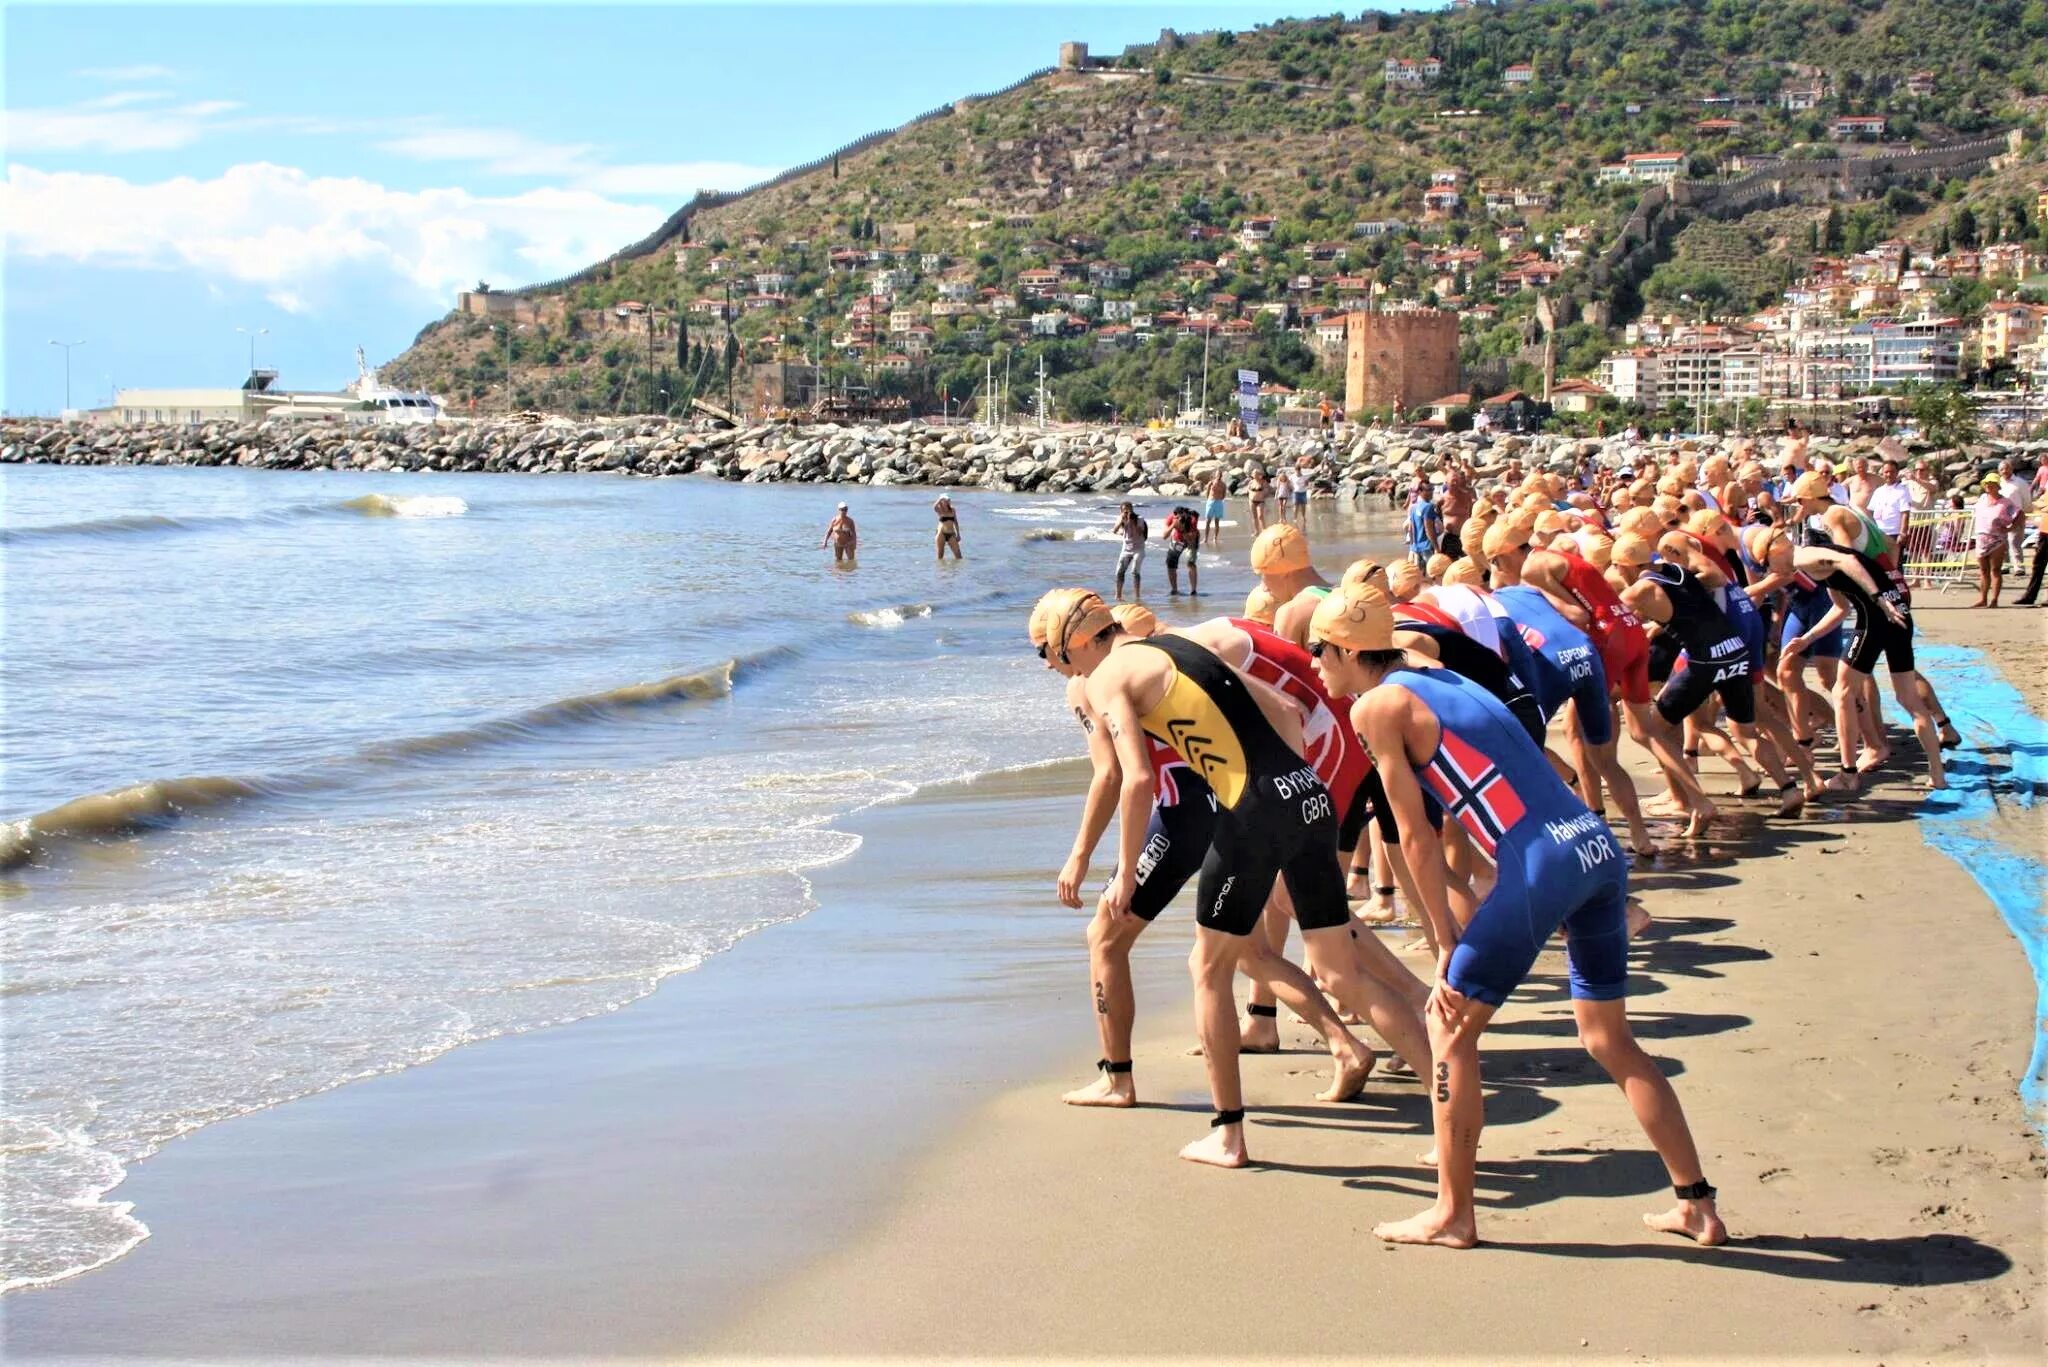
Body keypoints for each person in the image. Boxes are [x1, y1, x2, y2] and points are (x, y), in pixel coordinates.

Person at [1308, 584, 1725, 1250]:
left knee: (1447, 1032)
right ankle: (1697, 1204)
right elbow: (1522, 747)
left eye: (1318, 650)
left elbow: (1412, 836)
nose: (1314, 664)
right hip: (1595, 847)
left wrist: (1445, 938)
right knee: (1609, 1039)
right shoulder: (1435, 673)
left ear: (1349, 648)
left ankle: (1453, 1213)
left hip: (1540, 865)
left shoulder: (1378, 707)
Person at [1038, 589, 1433, 1167]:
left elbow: (1137, 780)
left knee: (1209, 967)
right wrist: (1283, 780)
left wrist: (1125, 871)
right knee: (1339, 974)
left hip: (1255, 811)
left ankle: (1228, 1135)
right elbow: (1281, 709)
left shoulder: (1104, 679)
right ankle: (1446, 1100)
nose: (1052, 667)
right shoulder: (1177, 645)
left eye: (1044, 653)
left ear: (1071, 643)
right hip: (1308, 796)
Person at [1792, 543, 1947, 790]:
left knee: (1842, 692)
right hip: (1899, 615)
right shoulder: (1823, 559)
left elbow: (1848, 563)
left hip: (1877, 620)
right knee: (1908, 699)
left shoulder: (1804, 557)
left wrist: (1877, 598)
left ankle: (1847, 774)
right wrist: (1808, 637)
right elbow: (1841, 608)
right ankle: (1938, 775)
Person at [1970, 475, 2018, 609]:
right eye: (1986, 483)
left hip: (1997, 539)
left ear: (1998, 486)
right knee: (1983, 570)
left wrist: (2011, 528)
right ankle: (1982, 598)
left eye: (1991, 483)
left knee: (1995, 570)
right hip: (1981, 538)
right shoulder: (1982, 499)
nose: (1988, 486)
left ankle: (1994, 600)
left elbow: (2019, 515)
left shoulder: (2005, 502)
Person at [1163, 505, 1202, 596]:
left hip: (1191, 539)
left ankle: (1193, 590)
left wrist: (1183, 530)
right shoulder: (1171, 518)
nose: (1178, 519)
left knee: (1190, 562)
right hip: (1177, 540)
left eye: (1180, 517)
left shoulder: (1192, 519)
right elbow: (1164, 536)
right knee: (1170, 563)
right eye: (1176, 517)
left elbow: (1191, 540)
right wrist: (1173, 525)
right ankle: (1174, 589)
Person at [1113, 502, 1148, 602]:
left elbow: (1140, 532)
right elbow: (1114, 530)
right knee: (1120, 571)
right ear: (1121, 511)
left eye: (1129, 509)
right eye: (1124, 510)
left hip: (1138, 549)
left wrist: (1132, 521)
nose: (1127, 511)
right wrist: (1122, 521)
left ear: (1132, 509)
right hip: (1126, 549)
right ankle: (1118, 595)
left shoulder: (1139, 519)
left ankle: (1137, 596)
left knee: (1135, 571)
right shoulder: (1120, 519)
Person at [1406, 491, 1442, 566]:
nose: (1431, 492)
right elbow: (1428, 530)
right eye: (1428, 490)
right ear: (1420, 492)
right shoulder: (1428, 506)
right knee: (1433, 571)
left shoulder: (1413, 507)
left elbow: (1410, 529)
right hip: (1427, 546)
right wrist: (1436, 547)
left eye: (1431, 489)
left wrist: (1412, 547)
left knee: (1419, 574)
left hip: (1416, 547)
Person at [1203, 469, 1228, 546]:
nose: (1219, 476)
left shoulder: (1223, 484)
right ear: (1215, 475)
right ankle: (1206, 538)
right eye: (1217, 474)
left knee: (1217, 522)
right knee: (1208, 521)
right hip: (1211, 502)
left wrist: (1219, 499)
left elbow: (1224, 495)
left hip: (1219, 503)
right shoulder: (1211, 483)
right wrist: (1209, 500)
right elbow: (1207, 493)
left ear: (1221, 475)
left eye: (1220, 474)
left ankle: (1215, 538)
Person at [933, 494, 962, 562]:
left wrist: (958, 534)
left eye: (948, 500)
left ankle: (956, 571)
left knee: (959, 556)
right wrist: (940, 499)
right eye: (945, 500)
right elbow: (934, 507)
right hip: (941, 534)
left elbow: (955, 522)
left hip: (951, 534)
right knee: (940, 557)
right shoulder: (939, 509)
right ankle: (941, 571)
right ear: (942, 501)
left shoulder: (952, 509)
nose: (947, 501)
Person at [1247, 467, 1271, 534]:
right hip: (1252, 501)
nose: (1255, 475)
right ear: (1252, 475)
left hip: (1260, 501)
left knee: (1260, 516)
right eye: (1254, 474)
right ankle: (1256, 531)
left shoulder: (1263, 482)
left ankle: (1264, 530)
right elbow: (1248, 489)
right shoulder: (1251, 482)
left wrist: (1263, 493)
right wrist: (1251, 493)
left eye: (1257, 474)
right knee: (1254, 516)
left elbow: (1267, 490)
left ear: (1259, 475)